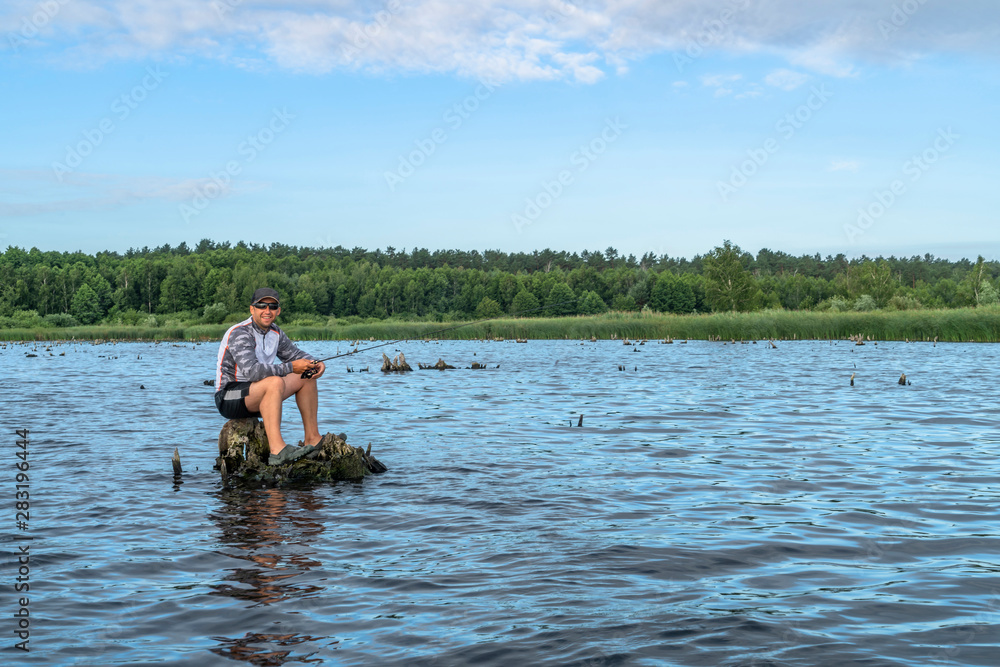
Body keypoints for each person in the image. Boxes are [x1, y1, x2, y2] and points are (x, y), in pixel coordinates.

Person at [214, 288, 327, 465]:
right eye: (261, 306)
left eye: (272, 306)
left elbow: (295, 354)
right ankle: (277, 450)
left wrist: (315, 362)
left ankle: (312, 438)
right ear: (252, 309)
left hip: (260, 392)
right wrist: (290, 367)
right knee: (274, 381)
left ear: (278, 311)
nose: (267, 311)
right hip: (229, 396)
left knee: (307, 375)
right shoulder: (240, 333)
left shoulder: (276, 332)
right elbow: (252, 371)